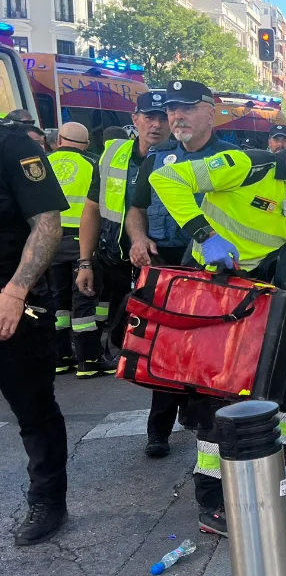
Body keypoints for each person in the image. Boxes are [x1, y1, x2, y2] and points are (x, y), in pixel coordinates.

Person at [149, 118, 286, 535]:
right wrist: (205, 235)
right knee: (222, 401)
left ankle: (269, 475)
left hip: (259, 299)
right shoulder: (248, 166)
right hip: (214, 295)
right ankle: (214, 502)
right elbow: (166, 177)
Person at [127, 80, 240, 444]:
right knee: (166, 348)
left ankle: (207, 430)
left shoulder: (235, 159)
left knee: (209, 354)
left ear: (211, 112)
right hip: (167, 264)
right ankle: (158, 431)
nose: (176, 115)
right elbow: (136, 208)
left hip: (212, 270)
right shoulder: (157, 159)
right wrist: (139, 238)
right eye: (173, 109)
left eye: (187, 107)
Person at [0, 119, 71, 545]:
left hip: (11, 302)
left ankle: (47, 501)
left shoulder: (13, 146)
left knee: (34, 410)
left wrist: (15, 290)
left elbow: (47, 223)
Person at [76, 92, 170, 405]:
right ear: (135, 120)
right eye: (149, 117)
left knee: (165, 334)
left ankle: (165, 400)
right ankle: (115, 352)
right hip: (113, 254)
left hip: (161, 257)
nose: (155, 125)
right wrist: (84, 262)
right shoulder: (113, 154)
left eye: (162, 117)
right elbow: (91, 209)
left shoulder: (178, 158)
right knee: (113, 314)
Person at [45, 122, 112, 378]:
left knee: (57, 302)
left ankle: (61, 357)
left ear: (58, 139)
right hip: (80, 242)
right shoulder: (93, 164)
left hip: (47, 243)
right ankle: (89, 360)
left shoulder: (42, 163)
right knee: (83, 301)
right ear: (85, 144)